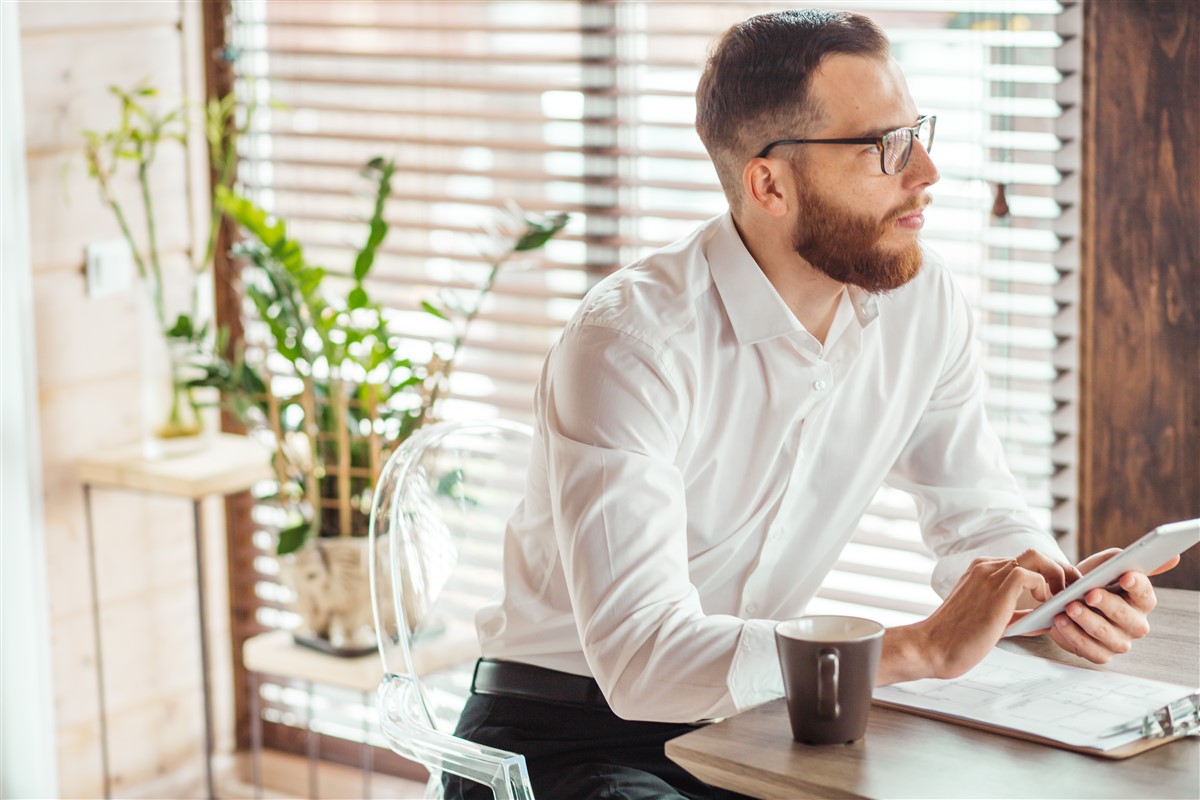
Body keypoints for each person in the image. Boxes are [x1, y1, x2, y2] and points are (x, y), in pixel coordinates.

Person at [446, 9, 1173, 800]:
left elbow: (979, 516)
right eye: (884, 147)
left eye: (917, 132)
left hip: (758, 721)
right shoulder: (630, 345)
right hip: (559, 734)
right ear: (770, 183)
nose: (925, 171)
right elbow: (642, 662)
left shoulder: (922, 305)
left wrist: (1051, 592)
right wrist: (921, 648)